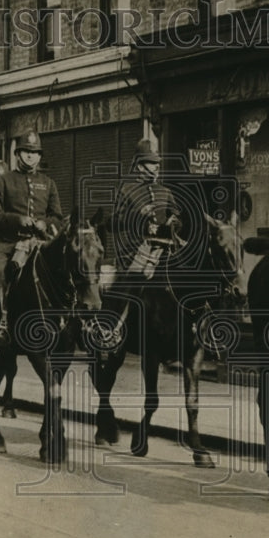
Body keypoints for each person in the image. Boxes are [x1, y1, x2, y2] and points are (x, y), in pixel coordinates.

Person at [0, 131, 63, 342]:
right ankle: (3, 322)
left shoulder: (49, 183)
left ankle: (66, 321)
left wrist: (46, 223)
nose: (30, 156)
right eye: (26, 151)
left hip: (41, 243)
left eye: (35, 152)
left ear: (40, 156)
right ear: (17, 154)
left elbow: (57, 217)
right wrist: (17, 220)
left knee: (66, 269)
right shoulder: (3, 181)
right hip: (10, 243)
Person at [106, 138, 183, 372]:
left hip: (163, 249)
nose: (156, 167)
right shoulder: (126, 189)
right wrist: (139, 220)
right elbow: (113, 222)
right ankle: (115, 331)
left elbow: (178, 215)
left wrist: (173, 221)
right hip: (134, 251)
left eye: (157, 163)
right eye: (151, 163)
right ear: (139, 165)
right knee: (135, 283)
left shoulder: (165, 191)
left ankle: (183, 339)